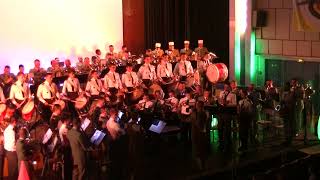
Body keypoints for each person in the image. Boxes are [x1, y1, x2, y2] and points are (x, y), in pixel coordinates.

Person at [218, 82, 237, 151]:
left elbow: (235, 104)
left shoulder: (233, 94)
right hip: (221, 112)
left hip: (227, 113)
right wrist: (220, 102)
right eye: (224, 86)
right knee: (220, 127)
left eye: (226, 87)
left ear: (229, 87)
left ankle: (228, 143)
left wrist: (227, 104)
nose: (225, 88)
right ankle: (221, 142)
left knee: (227, 129)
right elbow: (220, 101)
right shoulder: (221, 93)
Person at [192, 101, 209, 170]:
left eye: (197, 105)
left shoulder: (202, 113)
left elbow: (199, 124)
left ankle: (201, 166)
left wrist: (193, 116)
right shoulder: (200, 113)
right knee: (200, 149)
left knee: (199, 149)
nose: (196, 106)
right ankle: (201, 165)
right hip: (199, 133)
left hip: (199, 133)